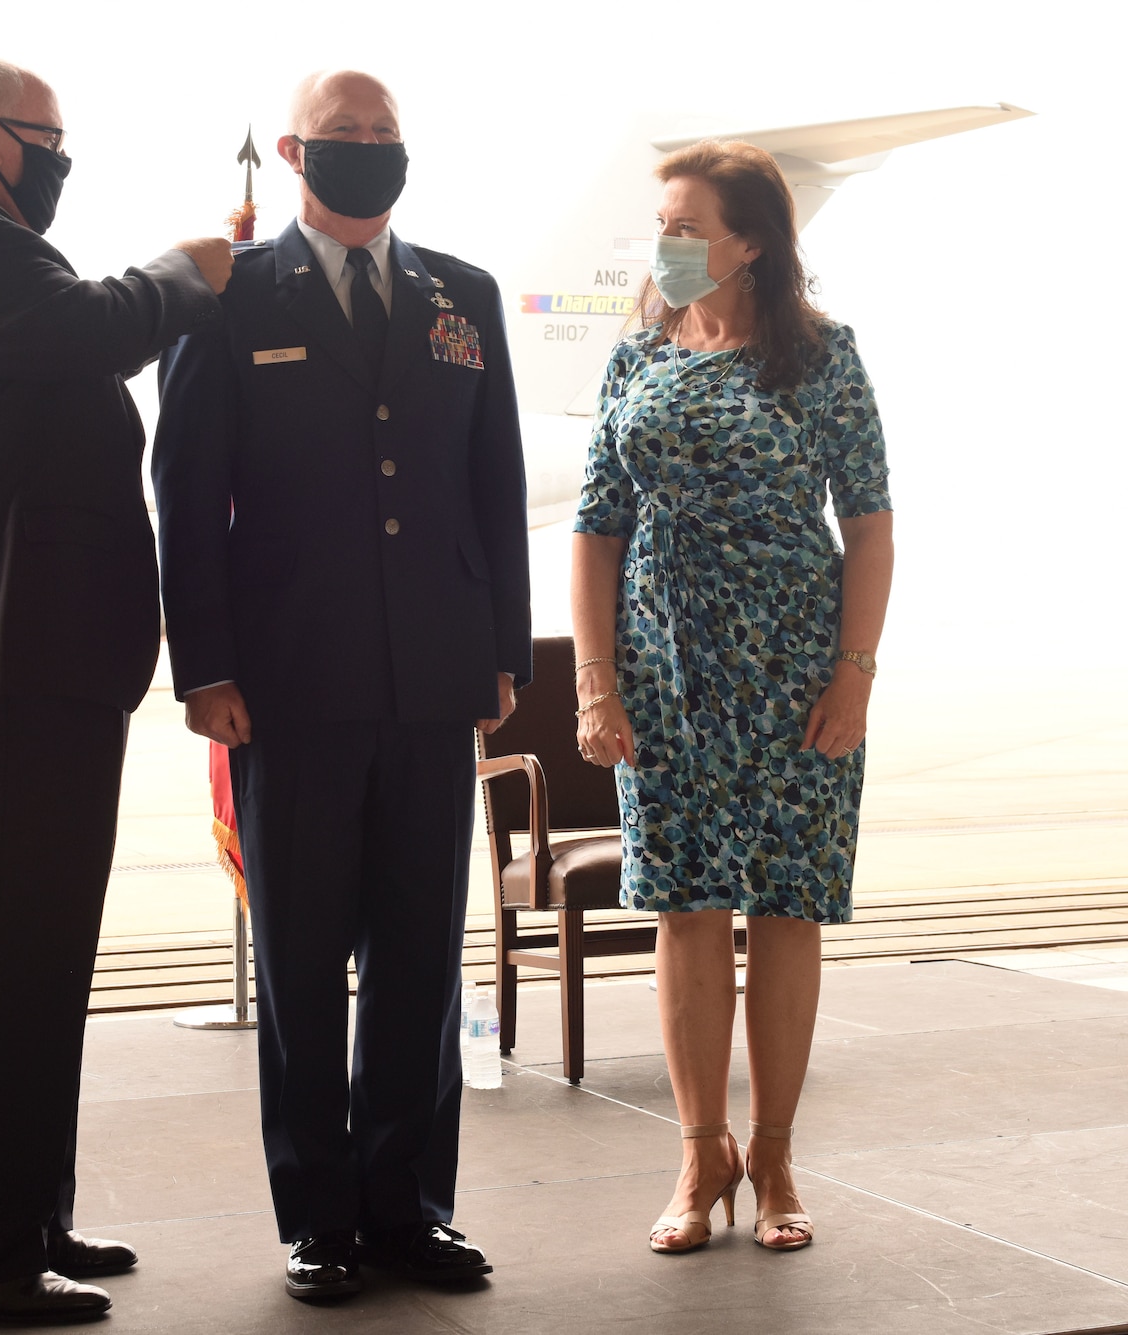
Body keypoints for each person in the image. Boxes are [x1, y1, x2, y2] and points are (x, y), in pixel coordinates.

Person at [153, 70, 530, 1303]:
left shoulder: (459, 296)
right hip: (289, 683)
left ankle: (409, 1210)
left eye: (385, 136)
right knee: (304, 964)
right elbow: (186, 499)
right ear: (294, 149)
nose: (367, 151)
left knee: (420, 959)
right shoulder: (226, 299)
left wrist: (502, 651)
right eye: (345, 135)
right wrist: (202, 666)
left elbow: (494, 484)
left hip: (431, 678)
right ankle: (317, 1217)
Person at [0, 55, 233, 1325]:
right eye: (50, 137)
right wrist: (190, 268)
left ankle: (27, 1215)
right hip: (6, 652)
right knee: (7, 957)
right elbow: (101, 324)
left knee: (41, 956)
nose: (60, 157)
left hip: (35, 651)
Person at [569, 139, 893, 1255]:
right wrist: (594, 682)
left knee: (787, 909)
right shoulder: (635, 361)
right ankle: (698, 1156)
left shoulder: (821, 359)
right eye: (659, 225)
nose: (664, 246)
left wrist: (853, 674)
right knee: (685, 908)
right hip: (662, 676)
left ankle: (774, 1157)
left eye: (685, 227)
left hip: (795, 673)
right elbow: (594, 530)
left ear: (747, 242)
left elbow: (867, 524)